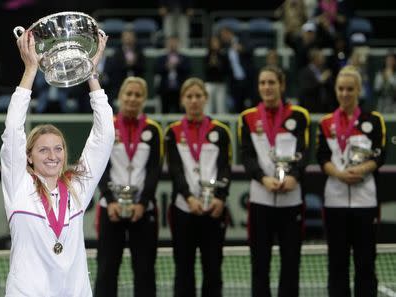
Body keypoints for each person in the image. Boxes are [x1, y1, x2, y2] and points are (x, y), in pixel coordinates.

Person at [0, 30, 114, 296]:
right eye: (43, 150)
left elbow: (105, 135)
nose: (52, 155)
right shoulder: (19, 184)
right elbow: (13, 131)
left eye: (58, 148)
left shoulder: (77, 187)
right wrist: (30, 71)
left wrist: (92, 74)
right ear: (29, 156)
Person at [238, 65, 310, 297]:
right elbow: (247, 156)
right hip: (261, 200)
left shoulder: (299, 115)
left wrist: (294, 176)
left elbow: (304, 152)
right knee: (260, 265)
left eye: (271, 82)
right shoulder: (248, 118)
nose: (267, 87)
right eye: (262, 83)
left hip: (291, 200)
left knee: (290, 264)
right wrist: (263, 179)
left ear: (282, 85)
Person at [316, 65, 386, 297]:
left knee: (365, 263)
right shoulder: (326, 123)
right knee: (337, 264)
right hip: (335, 201)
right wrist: (339, 174)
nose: (344, 94)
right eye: (340, 89)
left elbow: (380, 154)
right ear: (335, 90)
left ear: (358, 90)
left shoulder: (373, 120)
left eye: (350, 89)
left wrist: (361, 170)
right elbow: (322, 157)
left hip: (365, 201)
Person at [94, 76, 163, 297]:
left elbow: (154, 171)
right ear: (120, 97)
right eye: (129, 94)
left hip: (142, 211)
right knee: (106, 270)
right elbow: (99, 167)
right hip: (111, 209)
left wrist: (143, 203)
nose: (132, 99)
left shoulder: (153, 130)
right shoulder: (107, 126)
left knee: (144, 272)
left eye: (138, 95)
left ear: (144, 99)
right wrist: (110, 200)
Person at [165, 77, 232, 297]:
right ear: (183, 100)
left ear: (206, 99)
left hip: (214, 209)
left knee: (213, 271)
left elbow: (225, 169)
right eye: (189, 96)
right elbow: (175, 170)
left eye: (198, 96)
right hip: (184, 209)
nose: (194, 101)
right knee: (184, 272)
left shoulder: (221, 131)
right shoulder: (172, 132)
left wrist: (220, 198)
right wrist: (188, 198)